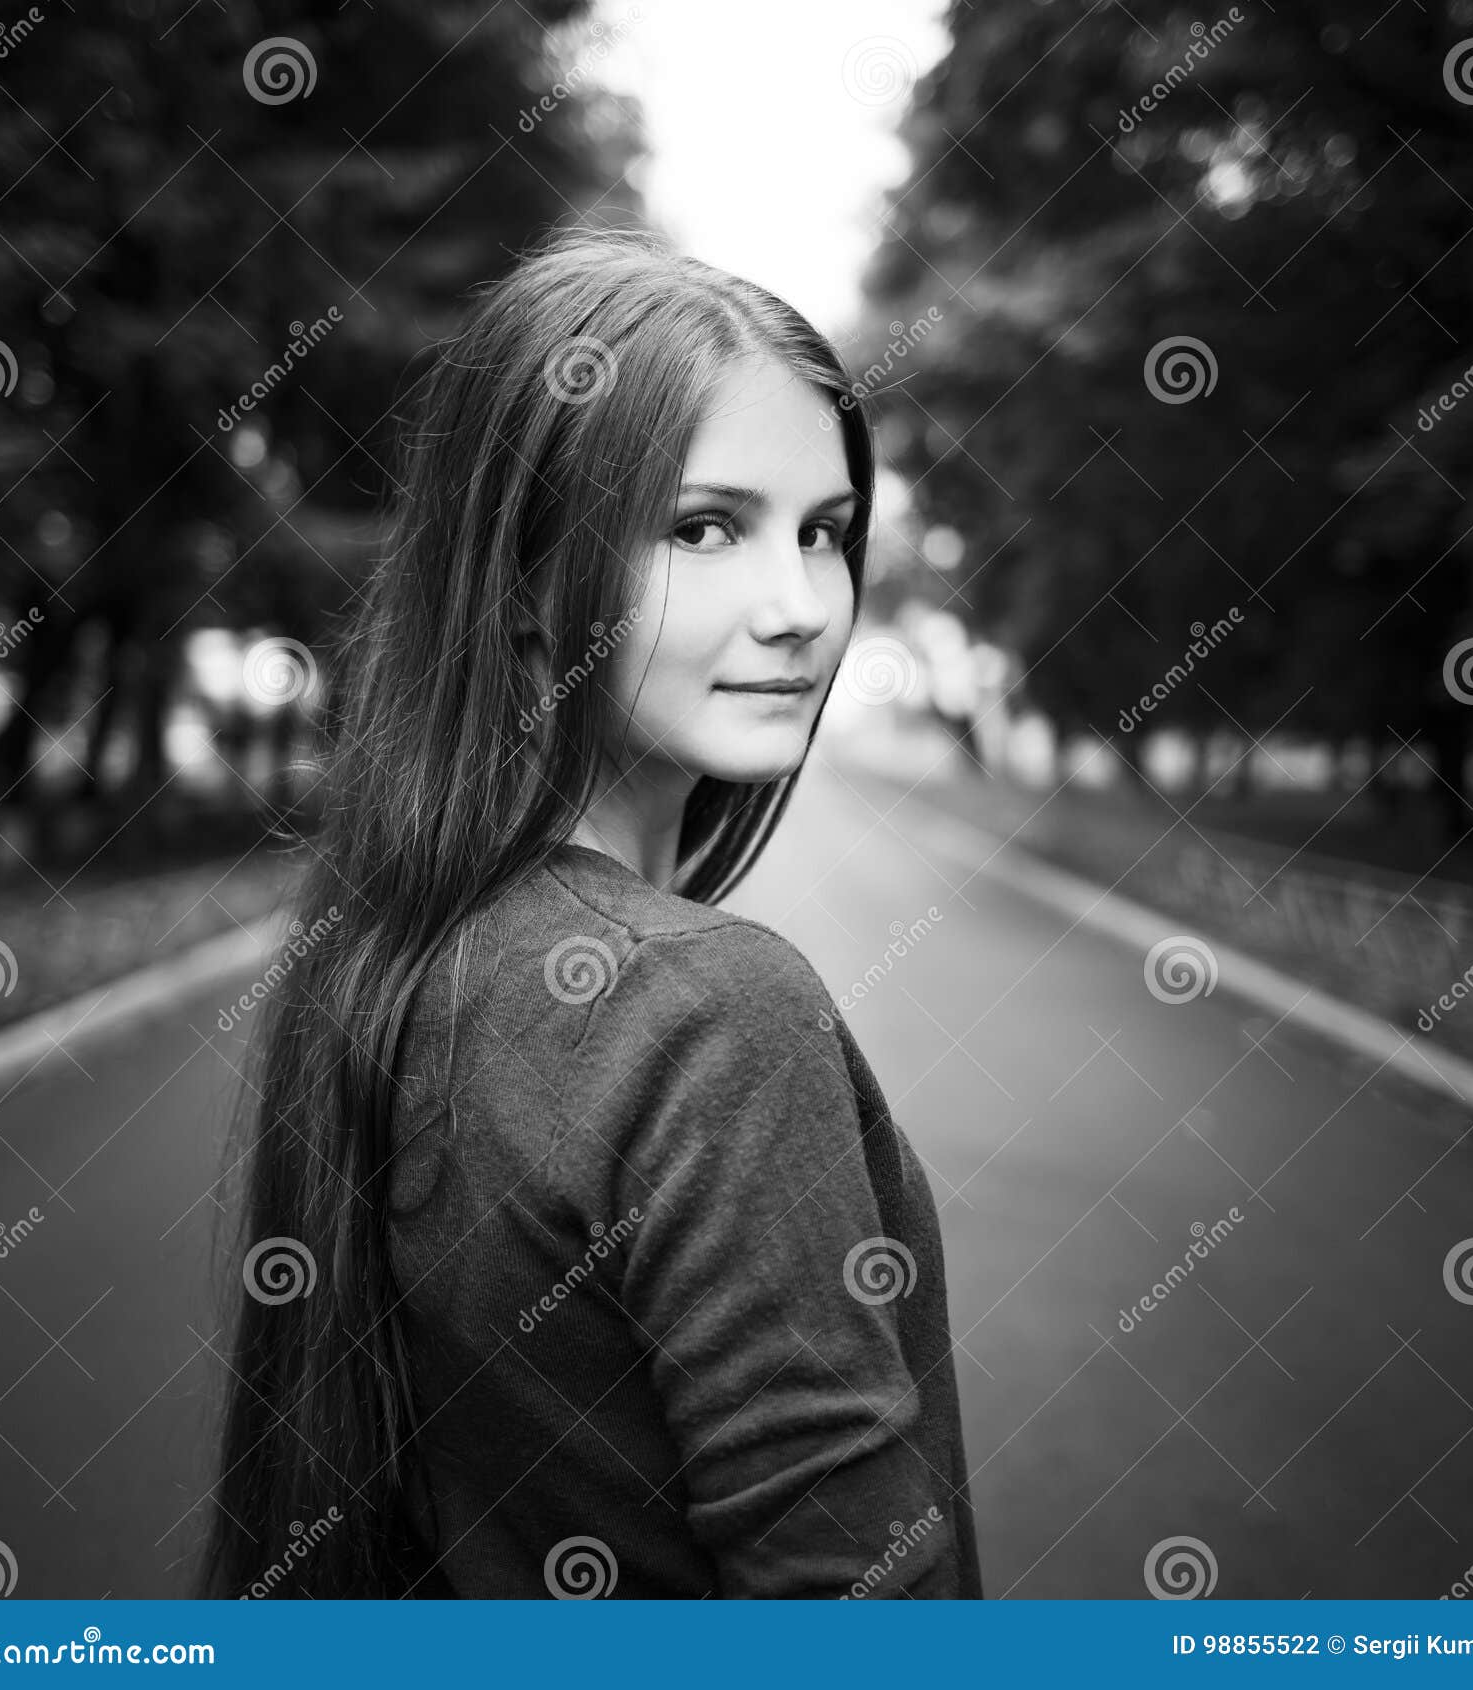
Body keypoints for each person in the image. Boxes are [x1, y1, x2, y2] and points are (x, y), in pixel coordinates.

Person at [199, 226, 983, 1600]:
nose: (801, 605)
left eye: (825, 534)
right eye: (704, 528)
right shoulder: (712, 1010)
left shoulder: (386, 956)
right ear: (519, 583)